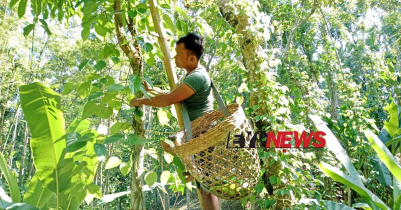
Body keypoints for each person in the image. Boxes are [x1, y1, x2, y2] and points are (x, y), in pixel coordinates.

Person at [130, 32, 219, 210]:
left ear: (192, 57)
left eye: (179, 55)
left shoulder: (197, 77)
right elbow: (175, 96)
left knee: (206, 188)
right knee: (204, 187)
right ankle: (188, 162)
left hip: (202, 134)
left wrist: (141, 102)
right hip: (197, 133)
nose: (175, 58)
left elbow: (169, 100)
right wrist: (153, 90)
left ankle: (187, 161)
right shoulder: (193, 75)